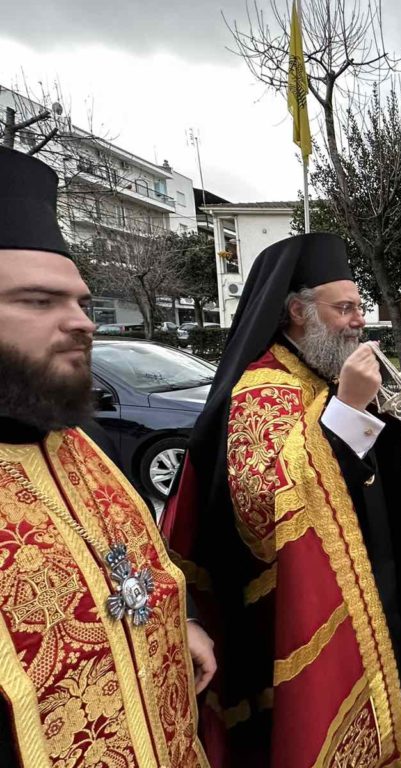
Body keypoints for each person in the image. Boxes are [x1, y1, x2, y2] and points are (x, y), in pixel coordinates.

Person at [162, 233, 401, 767]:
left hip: (363, 573)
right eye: (344, 309)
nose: (358, 321)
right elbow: (266, 510)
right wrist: (348, 408)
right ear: (298, 312)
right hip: (292, 607)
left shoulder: (321, 369)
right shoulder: (260, 387)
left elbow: (365, 453)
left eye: (359, 307)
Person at [0, 148, 211, 767]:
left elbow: (126, 567)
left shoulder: (76, 444)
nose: (83, 324)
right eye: (39, 302)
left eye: (81, 303)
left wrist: (178, 623)